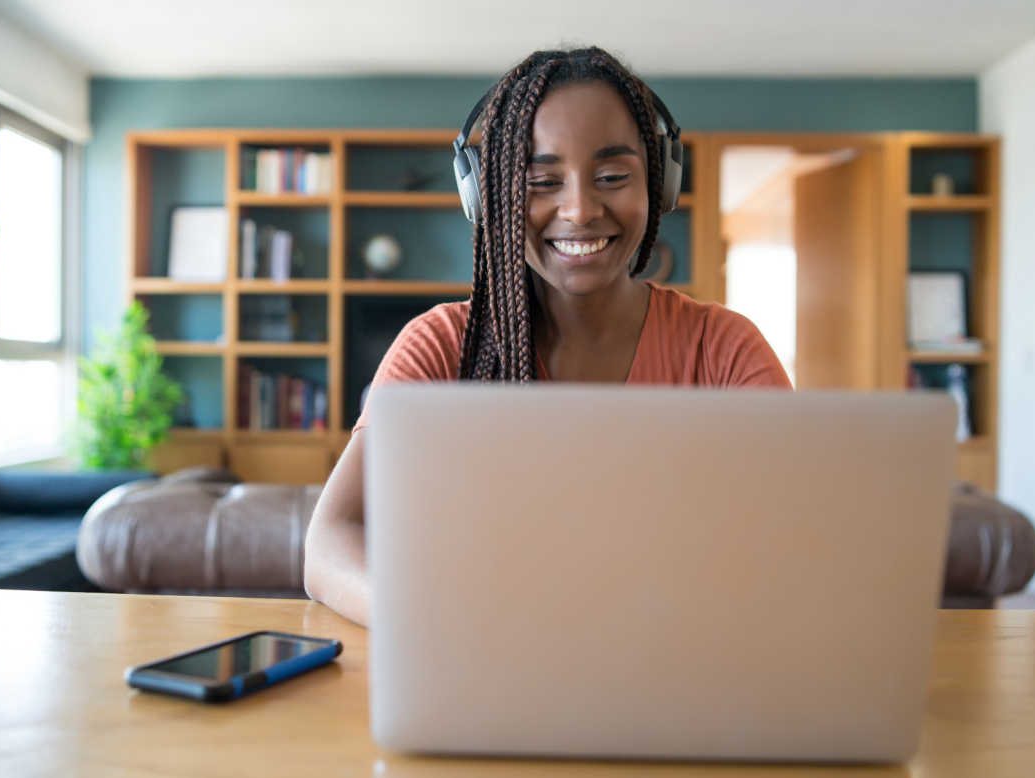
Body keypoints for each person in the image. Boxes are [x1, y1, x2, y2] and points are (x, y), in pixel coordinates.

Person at [304, 46, 790, 626]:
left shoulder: (726, 351)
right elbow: (330, 542)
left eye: (612, 176)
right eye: (540, 180)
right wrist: (436, 620)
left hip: (679, 669)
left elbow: (795, 541)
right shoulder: (438, 346)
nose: (580, 210)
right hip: (480, 672)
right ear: (488, 200)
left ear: (659, 185)